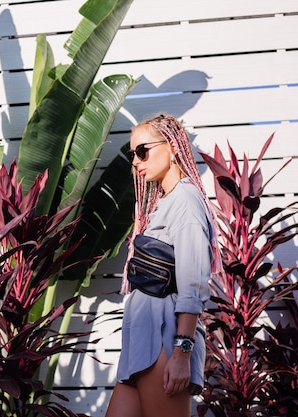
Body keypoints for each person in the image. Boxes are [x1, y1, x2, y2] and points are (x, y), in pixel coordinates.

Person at [105, 113, 222, 417]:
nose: (136, 161)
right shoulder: (164, 203)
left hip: (163, 338)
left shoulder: (185, 199)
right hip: (141, 339)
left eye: (143, 151)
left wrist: (182, 352)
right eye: (133, 154)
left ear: (171, 147)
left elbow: (192, 282)